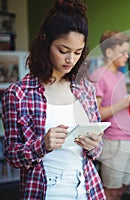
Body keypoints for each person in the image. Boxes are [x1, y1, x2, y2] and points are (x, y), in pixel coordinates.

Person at [1, 0, 106, 199]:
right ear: (45, 42)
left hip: (88, 190)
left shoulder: (85, 90)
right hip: (45, 192)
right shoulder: (17, 94)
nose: (70, 60)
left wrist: (94, 144)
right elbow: (12, 157)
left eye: (77, 52)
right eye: (63, 50)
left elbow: (97, 151)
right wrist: (43, 145)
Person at [90, 30, 130, 200]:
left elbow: (121, 110)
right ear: (109, 52)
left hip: (129, 138)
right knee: (111, 191)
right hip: (114, 141)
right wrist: (126, 102)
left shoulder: (121, 76)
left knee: (121, 189)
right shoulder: (99, 75)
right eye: (123, 52)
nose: (127, 56)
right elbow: (96, 114)